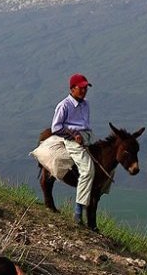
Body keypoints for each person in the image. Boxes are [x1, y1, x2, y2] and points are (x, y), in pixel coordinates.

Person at [51, 73, 94, 225]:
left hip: (87, 137)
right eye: (81, 88)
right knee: (87, 170)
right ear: (72, 88)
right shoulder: (64, 105)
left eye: (85, 88)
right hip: (72, 140)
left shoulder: (86, 104)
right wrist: (73, 134)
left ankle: (95, 194)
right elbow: (56, 127)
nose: (84, 91)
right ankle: (78, 211)